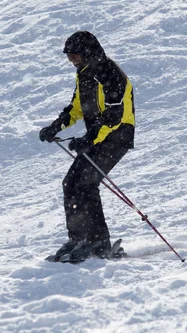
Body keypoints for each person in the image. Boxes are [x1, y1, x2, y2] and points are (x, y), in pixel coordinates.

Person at [39, 30, 135, 263]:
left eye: (74, 56)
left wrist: (89, 139)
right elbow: (77, 107)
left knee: (86, 183)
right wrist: (55, 127)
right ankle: (78, 238)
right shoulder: (84, 73)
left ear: (88, 52)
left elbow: (114, 116)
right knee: (70, 182)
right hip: (97, 136)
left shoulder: (110, 73)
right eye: (69, 57)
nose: (71, 61)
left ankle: (98, 243)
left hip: (116, 136)